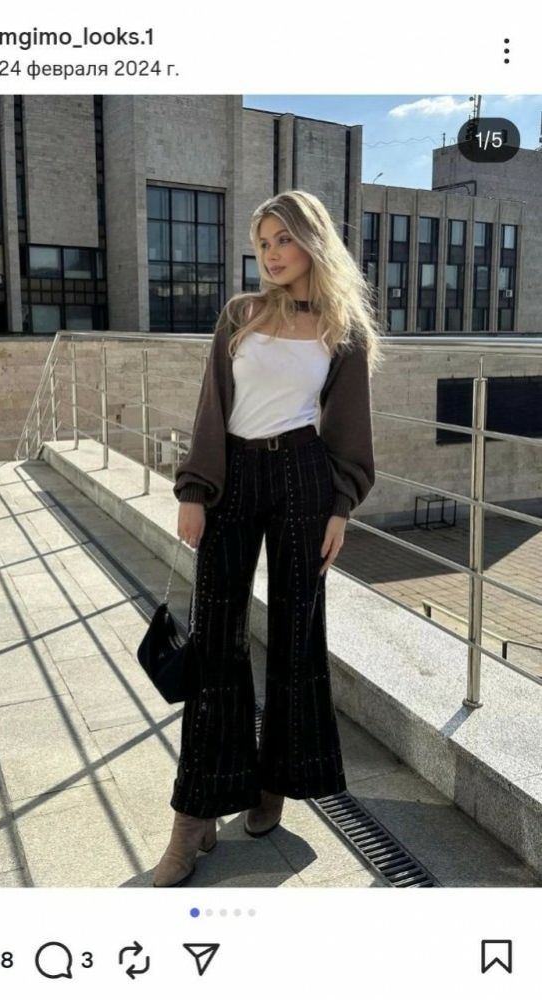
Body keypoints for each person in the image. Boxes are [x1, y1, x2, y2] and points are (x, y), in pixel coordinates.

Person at [153, 189, 384, 887]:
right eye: (262, 243)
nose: (272, 254)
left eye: (283, 239)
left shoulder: (343, 330)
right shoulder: (240, 314)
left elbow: (349, 431)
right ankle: (194, 816)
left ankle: (273, 783)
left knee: (294, 638)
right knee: (215, 639)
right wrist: (194, 489)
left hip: (303, 481)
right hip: (234, 477)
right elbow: (211, 407)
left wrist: (340, 509)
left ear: (312, 240)